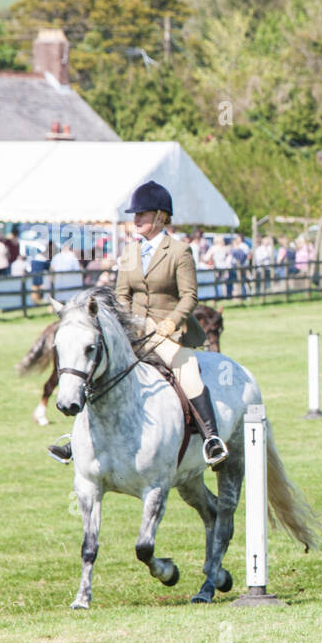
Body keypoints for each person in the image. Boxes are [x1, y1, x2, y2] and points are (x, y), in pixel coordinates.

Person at [48, 181, 229, 467]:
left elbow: (189, 296)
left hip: (168, 331)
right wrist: (122, 325)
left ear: (160, 217)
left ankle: (212, 438)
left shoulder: (179, 251)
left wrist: (170, 324)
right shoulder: (130, 253)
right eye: (135, 215)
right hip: (134, 329)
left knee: (188, 372)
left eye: (142, 214)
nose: (136, 220)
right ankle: (76, 441)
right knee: (97, 373)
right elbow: (121, 295)